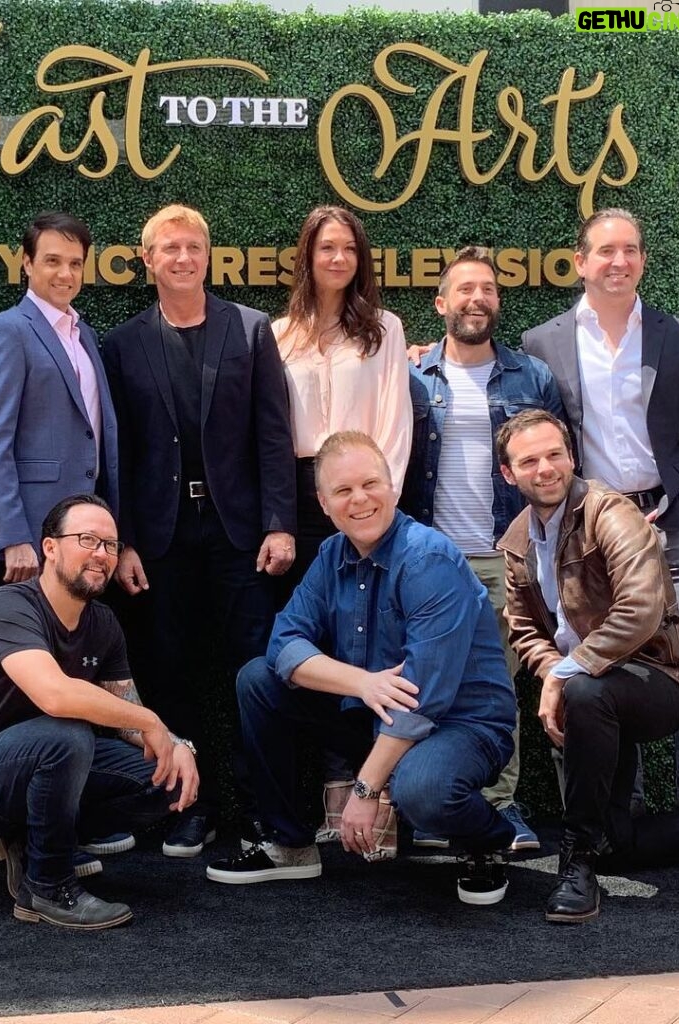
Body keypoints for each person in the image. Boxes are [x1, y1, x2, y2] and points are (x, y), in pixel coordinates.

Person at [207, 431, 518, 905]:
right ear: (324, 503)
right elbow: (283, 643)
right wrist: (361, 682)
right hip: (373, 710)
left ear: (392, 486)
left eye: (370, 483)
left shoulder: (428, 558)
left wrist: (365, 790)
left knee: (424, 789)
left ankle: (490, 841)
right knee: (258, 680)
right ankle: (290, 845)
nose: (360, 500)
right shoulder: (331, 555)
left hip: (461, 724)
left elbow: (421, 698)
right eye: (343, 491)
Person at [102, 205, 296, 856]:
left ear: (207, 257)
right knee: (169, 670)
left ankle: (260, 809)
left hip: (240, 534)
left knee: (254, 672)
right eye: (169, 248)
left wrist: (279, 523)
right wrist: (124, 539)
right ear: (147, 259)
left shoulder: (250, 330)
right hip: (158, 540)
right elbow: (118, 454)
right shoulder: (122, 344)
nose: (182, 258)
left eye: (193, 247)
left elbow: (274, 436)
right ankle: (188, 806)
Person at [522, 209, 679, 811]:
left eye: (631, 250)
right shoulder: (544, 342)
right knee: (606, 658)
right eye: (606, 251)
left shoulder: (678, 336)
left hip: (666, 524)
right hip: (589, 535)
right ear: (580, 261)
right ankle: (624, 804)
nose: (620, 261)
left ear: (641, 260)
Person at [0, 494, 200, 929]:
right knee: (66, 734)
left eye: (110, 545)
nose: (101, 554)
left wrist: (176, 745)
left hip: (43, 763)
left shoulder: (102, 623)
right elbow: (55, 695)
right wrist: (152, 723)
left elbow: (128, 708)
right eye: (87, 539)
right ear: (50, 548)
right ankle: (48, 888)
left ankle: (32, 842)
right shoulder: (10, 606)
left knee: (163, 778)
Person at [496, 410, 679, 923]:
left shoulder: (610, 513)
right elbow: (525, 628)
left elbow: (640, 612)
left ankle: (575, 864)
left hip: (662, 677)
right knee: (617, 841)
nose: (546, 468)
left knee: (584, 693)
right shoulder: (516, 542)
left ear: (571, 457)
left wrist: (562, 673)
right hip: (596, 689)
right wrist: (554, 666)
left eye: (555, 454)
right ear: (509, 474)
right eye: (529, 460)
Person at [399, 246, 566, 852]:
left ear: (498, 302)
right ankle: (429, 807)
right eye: (464, 289)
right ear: (441, 304)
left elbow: (559, 469)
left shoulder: (532, 377)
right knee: (424, 682)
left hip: (505, 557)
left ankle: (498, 806)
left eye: (488, 290)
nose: (477, 299)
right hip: (430, 559)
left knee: (495, 687)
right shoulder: (412, 374)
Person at [274, 205, 412, 844]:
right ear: (307, 256)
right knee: (314, 645)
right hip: (301, 504)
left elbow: (394, 427)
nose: (336, 259)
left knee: (369, 640)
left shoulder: (383, 330)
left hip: (363, 499)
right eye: (325, 248)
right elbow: (271, 436)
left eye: (347, 249)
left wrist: (372, 510)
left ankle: (368, 787)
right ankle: (325, 787)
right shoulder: (277, 336)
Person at [0, 212, 118, 583]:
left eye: (75, 264)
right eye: (52, 261)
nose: (65, 274)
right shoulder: (8, 331)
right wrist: (12, 535)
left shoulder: (83, 334)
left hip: (84, 534)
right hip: (32, 535)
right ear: (27, 263)